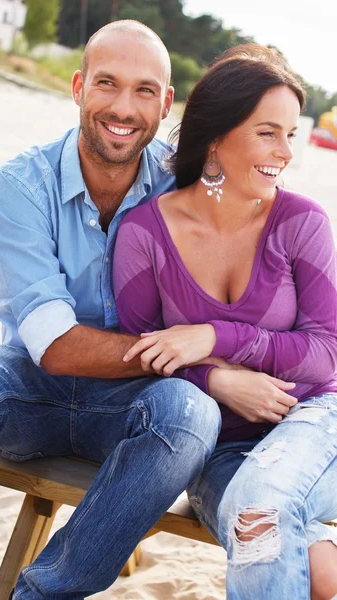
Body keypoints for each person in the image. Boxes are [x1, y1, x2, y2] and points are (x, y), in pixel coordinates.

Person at [0, 21, 289, 600]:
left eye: (145, 90)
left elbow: (246, 291)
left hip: (136, 408)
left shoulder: (190, 183)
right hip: (33, 389)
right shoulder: (22, 184)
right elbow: (55, 346)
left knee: (190, 417)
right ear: (78, 87)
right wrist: (194, 361)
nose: (124, 108)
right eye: (107, 83)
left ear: (166, 101)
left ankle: (46, 591)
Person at [114, 44, 337, 600]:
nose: (286, 152)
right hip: (222, 449)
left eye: (290, 133)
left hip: (317, 417)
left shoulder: (302, 221)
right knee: (268, 535)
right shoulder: (145, 234)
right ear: (215, 136)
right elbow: (137, 357)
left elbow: (327, 350)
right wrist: (216, 380)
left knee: (260, 510)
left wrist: (215, 338)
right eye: (268, 132)